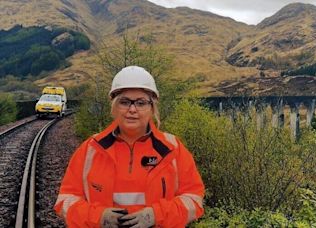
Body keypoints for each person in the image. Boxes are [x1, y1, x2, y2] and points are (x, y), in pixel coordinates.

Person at [54, 66, 205, 227]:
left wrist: (156, 215)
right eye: (124, 102)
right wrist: (98, 217)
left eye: (141, 103)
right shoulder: (90, 150)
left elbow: (193, 199)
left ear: (152, 108)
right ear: (114, 107)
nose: (132, 109)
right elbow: (66, 201)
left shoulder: (172, 150)